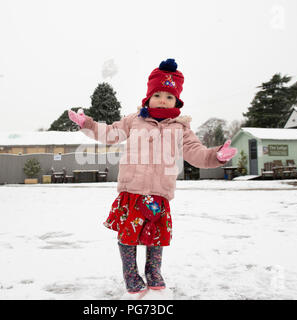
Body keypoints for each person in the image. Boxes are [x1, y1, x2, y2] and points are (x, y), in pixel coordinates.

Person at [68, 58, 237, 295]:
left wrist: (216, 156)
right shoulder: (134, 120)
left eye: (169, 97)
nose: (163, 100)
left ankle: (153, 270)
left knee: (156, 235)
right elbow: (110, 133)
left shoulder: (180, 128)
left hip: (159, 192)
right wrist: (87, 124)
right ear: (148, 96)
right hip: (132, 190)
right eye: (158, 94)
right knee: (129, 234)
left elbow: (195, 153)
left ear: (176, 101)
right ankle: (130, 273)